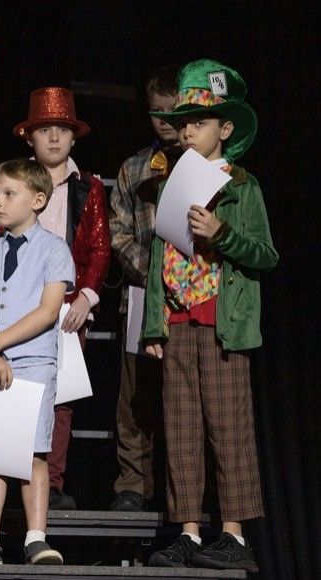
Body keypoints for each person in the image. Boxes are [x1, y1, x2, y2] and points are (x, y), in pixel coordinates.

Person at [142, 59, 278, 572]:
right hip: (178, 322)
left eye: (199, 123)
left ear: (224, 129)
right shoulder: (169, 184)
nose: (188, 132)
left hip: (223, 323)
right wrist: (153, 324)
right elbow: (157, 260)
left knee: (228, 428)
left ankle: (234, 534)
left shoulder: (243, 185)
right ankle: (188, 531)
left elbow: (265, 254)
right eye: (183, 124)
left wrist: (223, 233)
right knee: (181, 431)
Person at [0, 87, 110, 509]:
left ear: (74, 137)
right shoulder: (12, 185)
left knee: (59, 399)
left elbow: (99, 248)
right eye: (45, 130)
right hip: (19, 307)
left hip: (68, 309)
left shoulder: (88, 188)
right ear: (30, 138)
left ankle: (51, 484)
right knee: (10, 388)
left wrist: (86, 298)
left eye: (62, 129)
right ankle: (9, 481)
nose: (55, 138)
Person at [0, 158, 74, 565]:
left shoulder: (54, 250)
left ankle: (35, 537)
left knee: (33, 452)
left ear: (37, 200)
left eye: (9, 194)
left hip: (33, 363)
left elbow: (48, 310)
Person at [108, 65, 180, 512]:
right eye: (157, 112)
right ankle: (133, 484)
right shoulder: (134, 167)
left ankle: (182, 489)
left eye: (174, 111)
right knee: (135, 396)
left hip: (188, 297)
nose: (165, 120)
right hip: (140, 294)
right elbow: (118, 233)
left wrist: (178, 278)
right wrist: (154, 274)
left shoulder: (201, 165)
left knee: (182, 394)